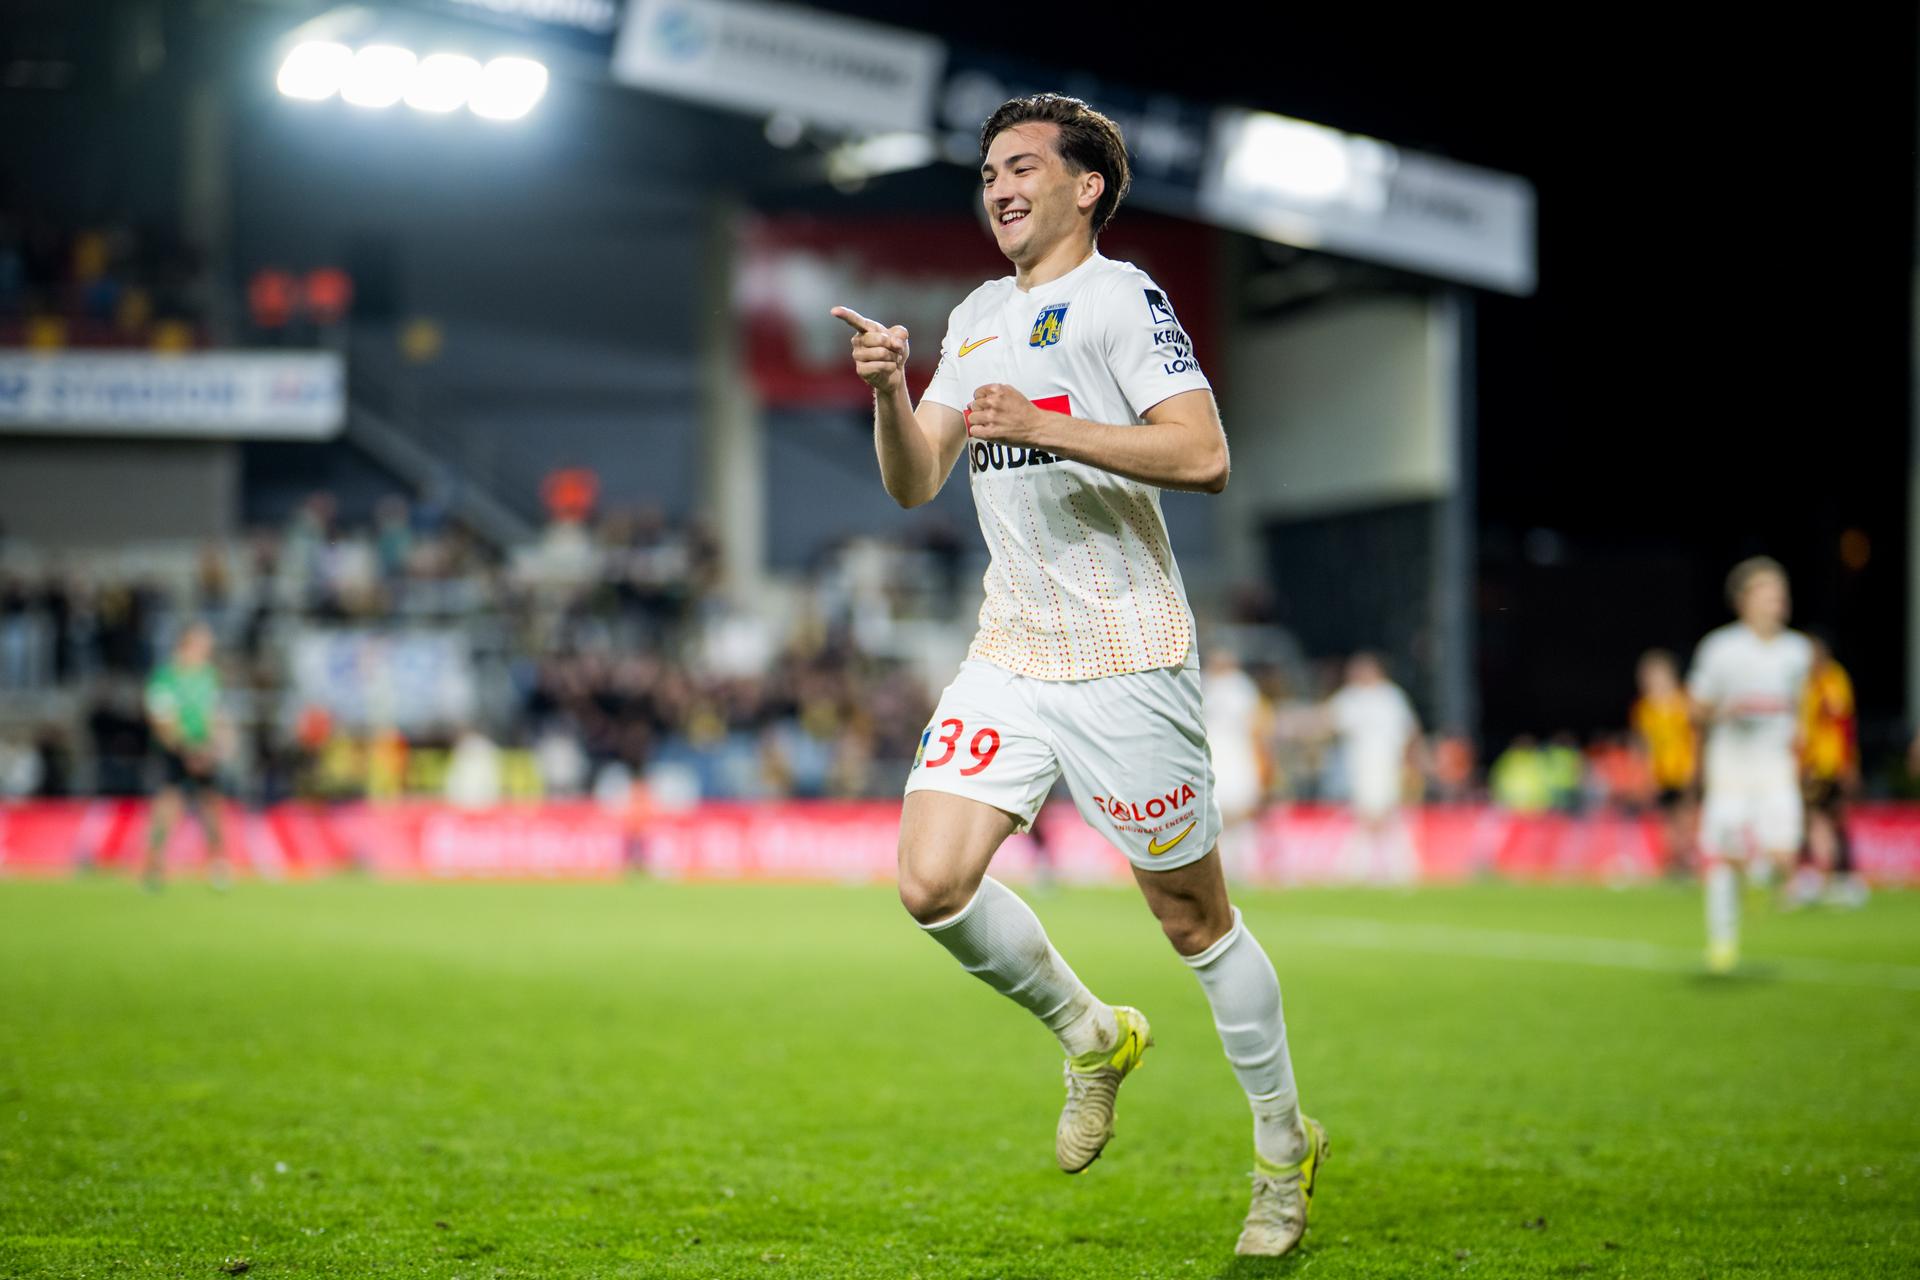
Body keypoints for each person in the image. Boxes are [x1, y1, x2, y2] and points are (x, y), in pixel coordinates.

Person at [831, 93, 1325, 1257]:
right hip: (1013, 646)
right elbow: (915, 483)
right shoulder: (978, 312)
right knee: (930, 881)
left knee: (1192, 918)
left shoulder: (1121, 299)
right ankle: (1093, 1032)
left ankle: (1280, 1145)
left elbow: (1201, 452)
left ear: (1084, 184)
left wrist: (1052, 424)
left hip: (1125, 651)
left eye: (1022, 167)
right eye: (988, 172)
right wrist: (891, 391)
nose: (998, 187)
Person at [1686, 557, 1813, 973]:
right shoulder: (1721, 649)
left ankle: (1757, 876)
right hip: (1731, 772)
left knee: (1783, 856)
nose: (1777, 602)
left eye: (1781, 594)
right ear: (1743, 600)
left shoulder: (1798, 652)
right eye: (1767, 593)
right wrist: (1724, 712)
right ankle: (1722, 943)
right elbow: (1695, 709)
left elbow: (1801, 710)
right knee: (1721, 859)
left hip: (1775, 769)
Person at [142, 620, 230, 890]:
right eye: (204, 643)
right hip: (177, 749)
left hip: (203, 749)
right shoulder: (165, 677)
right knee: (169, 802)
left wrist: (216, 744)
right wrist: (185, 749)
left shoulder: (208, 675)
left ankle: (216, 862)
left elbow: (213, 714)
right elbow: (161, 719)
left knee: (211, 803)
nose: (208, 648)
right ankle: (154, 863)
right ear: (187, 644)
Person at [1325, 653, 1421, 883]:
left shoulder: (1391, 697)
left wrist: (1411, 765)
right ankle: (1360, 870)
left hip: (1388, 765)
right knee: (1366, 818)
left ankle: (1401, 870)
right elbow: (1328, 720)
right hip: (1362, 767)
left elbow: (1410, 732)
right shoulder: (1352, 698)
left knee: (1387, 817)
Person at [1795, 634, 1866, 907]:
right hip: (1813, 763)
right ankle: (1825, 876)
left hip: (1828, 763)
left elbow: (1844, 723)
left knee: (1826, 818)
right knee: (1815, 818)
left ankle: (1835, 877)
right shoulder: (1805, 682)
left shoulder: (1832, 680)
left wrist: (1849, 763)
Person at [1631, 649, 1698, 875]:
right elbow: (1645, 744)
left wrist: (1696, 767)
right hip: (1661, 773)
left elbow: (1695, 736)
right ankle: (1673, 863)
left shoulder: (1684, 701)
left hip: (1684, 769)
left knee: (1686, 817)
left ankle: (1687, 860)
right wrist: (1646, 773)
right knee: (1666, 820)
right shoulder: (1644, 709)